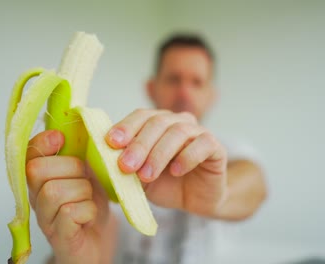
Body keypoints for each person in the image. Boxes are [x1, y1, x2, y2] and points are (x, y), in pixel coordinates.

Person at [27, 33, 267, 264]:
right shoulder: (112, 156)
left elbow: (256, 186)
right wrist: (75, 258)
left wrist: (218, 196)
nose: (185, 92)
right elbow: (98, 245)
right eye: (174, 79)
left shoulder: (230, 149)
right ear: (151, 88)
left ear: (211, 95)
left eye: (197, 82)